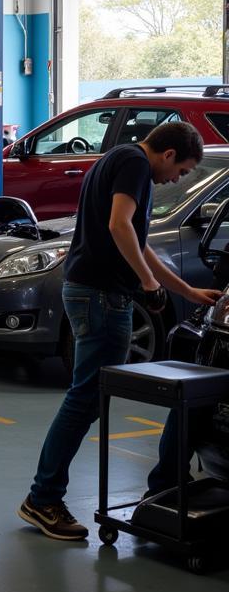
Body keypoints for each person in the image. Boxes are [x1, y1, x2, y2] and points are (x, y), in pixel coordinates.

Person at [18, 121, 221, 541]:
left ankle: (45, 495)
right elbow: (118, 226)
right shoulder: (134, 163)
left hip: (88, 290)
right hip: (102, 296)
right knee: (84, 400)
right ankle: (43, 498)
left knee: (85, 398)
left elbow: (137, 239)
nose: (176, 178)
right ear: (167, 155)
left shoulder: (115, 158)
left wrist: (183, 288)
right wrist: (147, 284)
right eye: (181, 171)